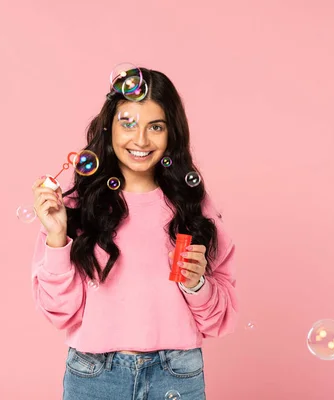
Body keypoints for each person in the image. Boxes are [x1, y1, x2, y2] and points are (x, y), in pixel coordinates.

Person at [30, 67, 239, 400]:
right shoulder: (74, 204)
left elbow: (218, 319)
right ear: (108, 126)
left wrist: (196, 283)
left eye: (155, 127)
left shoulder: (191, 204)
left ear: (172, 133)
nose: (141, 140)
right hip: (94, 376)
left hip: (177, 375)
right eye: (127, 123)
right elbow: (59, 312)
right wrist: (57, 237)